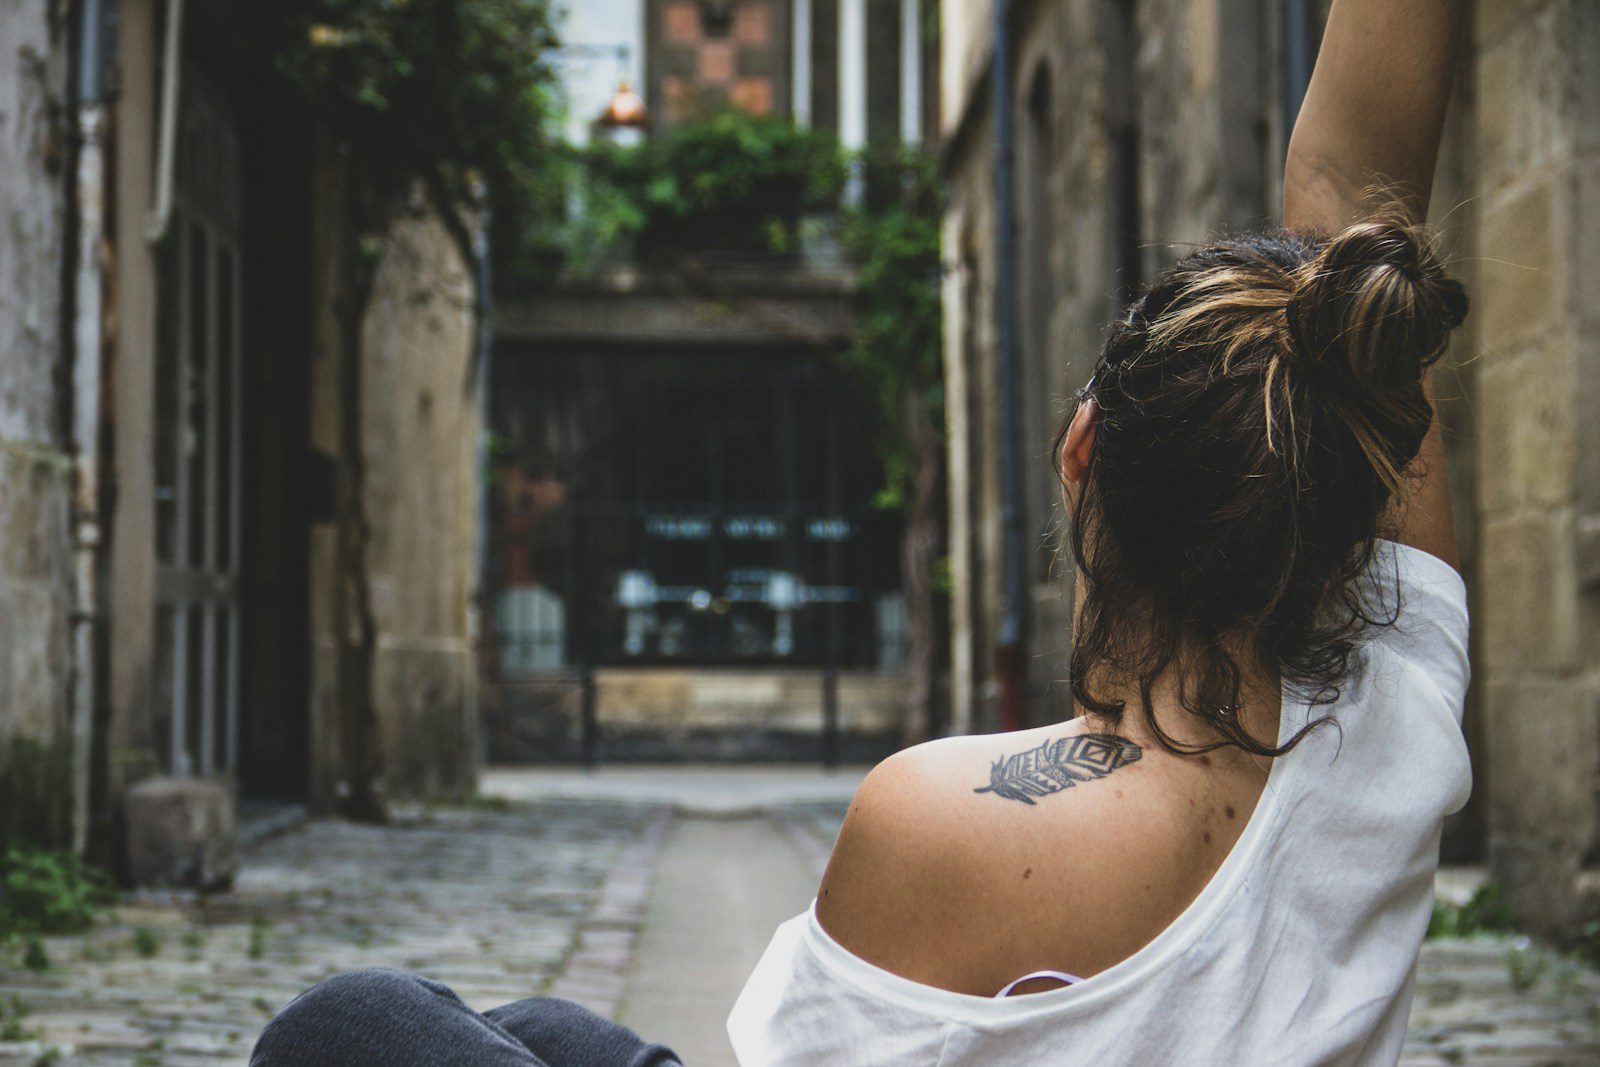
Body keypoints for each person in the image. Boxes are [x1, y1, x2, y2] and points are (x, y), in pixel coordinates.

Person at [250, 0, 1469, 1063]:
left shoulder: (937, 814)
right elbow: (1361, 193)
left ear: (1079, 455)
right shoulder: (1388, 724)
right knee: (545, 1032)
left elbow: (1359, 192)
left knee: (355, 1021)